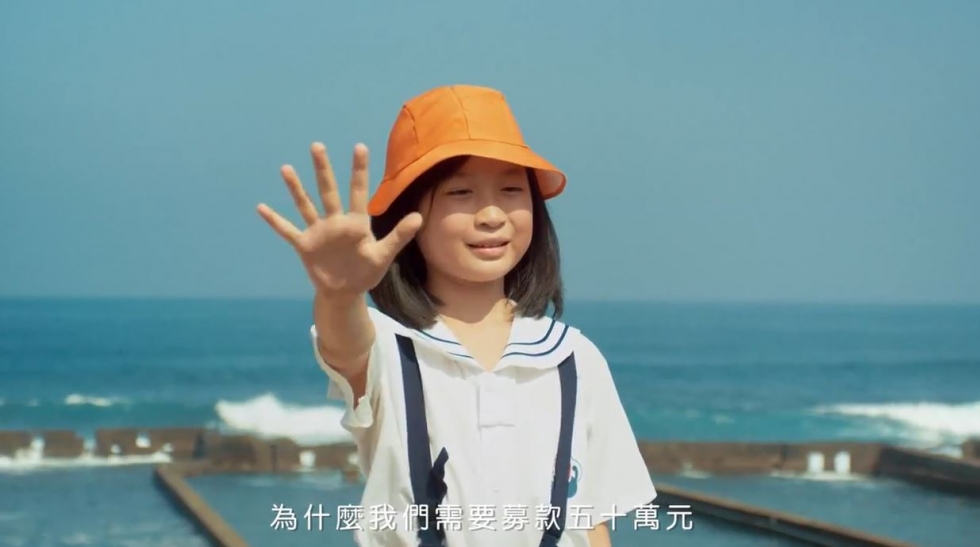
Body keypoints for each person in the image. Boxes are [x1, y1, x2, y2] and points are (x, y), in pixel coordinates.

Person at [257, 84, 656, 547]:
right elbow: (344, 344)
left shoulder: (573, 358)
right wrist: (340, 293)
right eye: (461, 191)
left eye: (511, 189)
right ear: (407, 215)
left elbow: (591, 521)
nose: (492, 215)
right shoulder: (391, 348)